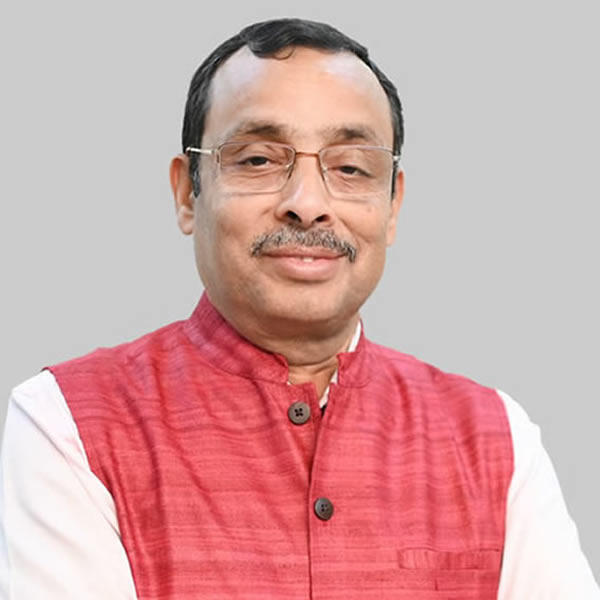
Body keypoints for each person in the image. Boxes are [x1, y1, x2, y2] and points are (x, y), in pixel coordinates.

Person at [0, 17, 598, 600]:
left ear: (392, 206)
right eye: (258, 160)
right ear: (186, 192)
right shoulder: (69, 423)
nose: (307, 204)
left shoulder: (493, 438)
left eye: (351, 168)